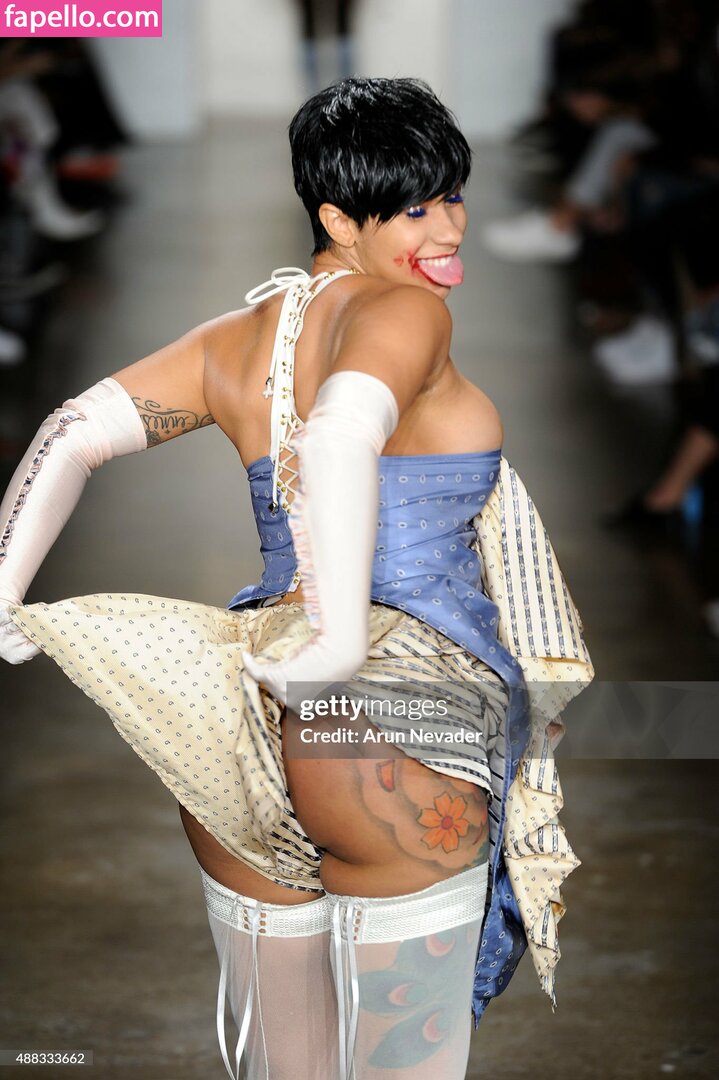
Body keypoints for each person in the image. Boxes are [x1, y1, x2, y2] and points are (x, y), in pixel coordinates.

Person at [0, 78, 592, 1079]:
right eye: (414, 209)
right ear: (337, 219)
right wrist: (339, 642)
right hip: (389, 717)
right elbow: (339, 434)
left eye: (452, 196)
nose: (449, 228)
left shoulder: (236, 338)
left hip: (237, 716)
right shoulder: (403, 312)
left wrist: (5, 601)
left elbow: (71, 431)